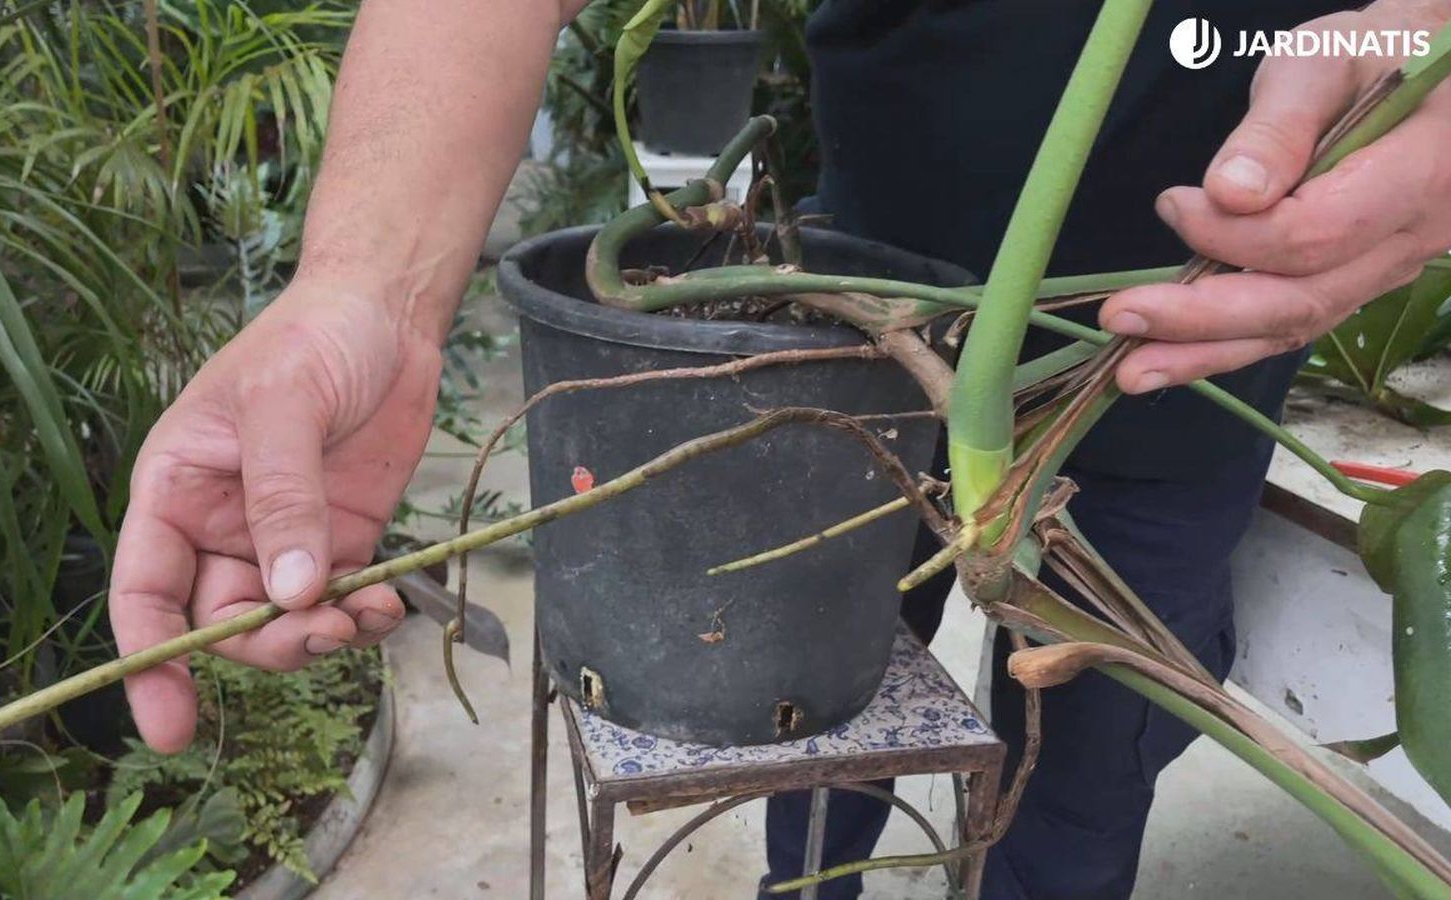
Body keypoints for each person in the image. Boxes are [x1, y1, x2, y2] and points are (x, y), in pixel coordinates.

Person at [109, 0, 1451, 897]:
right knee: (820, 703)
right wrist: (366, 290)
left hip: (1195, 347)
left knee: (1095, 765)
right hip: (859, 324)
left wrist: (1427, 39)